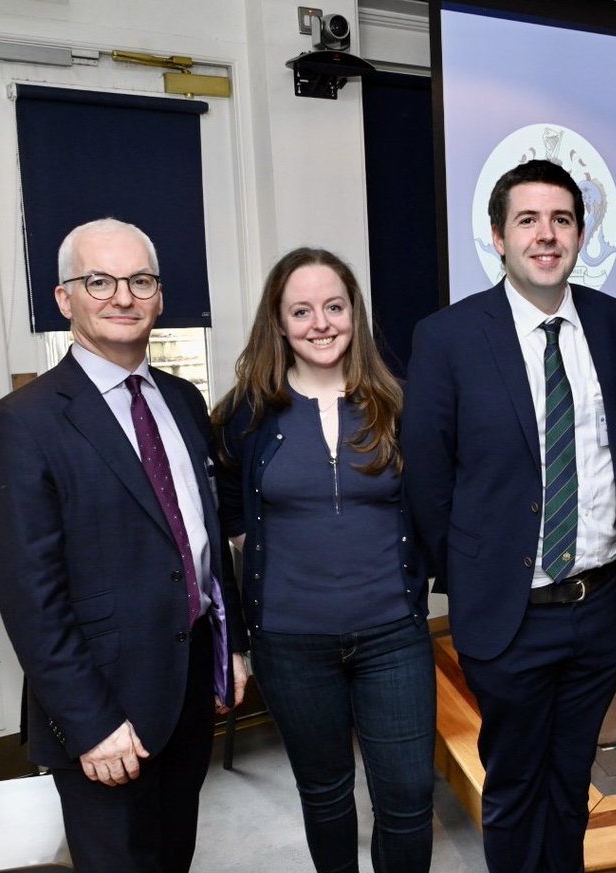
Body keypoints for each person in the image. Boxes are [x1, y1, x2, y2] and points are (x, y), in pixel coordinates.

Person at [0, 217, 248, 872]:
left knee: (173, 853)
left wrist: (230, 642)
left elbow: (203, 538)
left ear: (158, 297)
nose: (122, 296)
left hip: (186, 690)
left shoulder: (183, 400)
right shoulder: (22, 424)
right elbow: (32, 599)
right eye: (100, 280)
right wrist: (91, 722)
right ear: (65, 297)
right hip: (103, 708)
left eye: (140, 280)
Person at [401, 158, 616, 873]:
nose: (546, 235)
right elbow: (430, 478)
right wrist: (474, 581)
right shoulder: (448, 336)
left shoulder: (613, 321)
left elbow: (615, 448)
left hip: (598, 612)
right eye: (528, 220)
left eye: (562, 220)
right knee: (513, 787)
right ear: (498, 235)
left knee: (572, 784)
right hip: (509, 617)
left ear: (580, 233)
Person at [211, 247, 434, 873]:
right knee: (327, 793)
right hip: (290, 642)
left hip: (394, 634)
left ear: (353, 314)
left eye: (334, 307)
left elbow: (432, 506)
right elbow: (227, 515)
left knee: (409, 798)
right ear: (278, 323)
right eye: (301, 310)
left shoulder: (400, 405)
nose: (320, 323)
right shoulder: (244, 417)